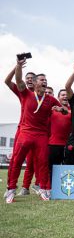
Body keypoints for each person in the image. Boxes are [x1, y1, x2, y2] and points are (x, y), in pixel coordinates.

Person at [5, 58, 67, 203]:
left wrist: (60, 109)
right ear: (34, 82)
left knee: (43, 162)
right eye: (41, 80)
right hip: (25, 133)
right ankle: (11, 189)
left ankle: (44, 190)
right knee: (17, 161)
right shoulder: (25, 93)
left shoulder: (50, 99)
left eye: (46, 80)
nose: (44, 82)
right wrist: (18, 65)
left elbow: (64, 110)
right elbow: (18, 79)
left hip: (41, 135)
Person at [3, 68, 39, 196]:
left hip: (38, 133)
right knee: (16, 160)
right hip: (22, 130)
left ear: (36, 82)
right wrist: (16, 67)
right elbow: (7, 81)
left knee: (33, 160)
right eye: (27, 78)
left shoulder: (42, 95)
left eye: (32, 78)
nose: (29, 79)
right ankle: (10, 187)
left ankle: (26, 187)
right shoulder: (22, 92)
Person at [48, 89, 72, 186]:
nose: (65, 96)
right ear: (58, 97)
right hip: (53, 144)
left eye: (67, 95)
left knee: (67, 168)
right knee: (52, 168)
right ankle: (49, 187)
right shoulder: (52, 110)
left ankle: (64, 187)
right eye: (62, 95)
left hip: (68, 145)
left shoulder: (73, 110)